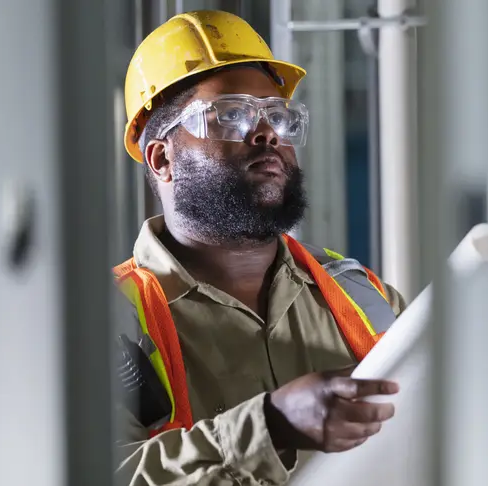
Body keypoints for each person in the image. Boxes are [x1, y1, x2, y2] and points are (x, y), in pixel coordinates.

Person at [113, 10, 405, 485]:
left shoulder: (362, 296)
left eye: (280, 116)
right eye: (231, 115)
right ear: (162, 158)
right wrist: (270, 424)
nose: (268, 132)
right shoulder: (102, 326)